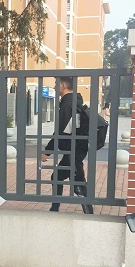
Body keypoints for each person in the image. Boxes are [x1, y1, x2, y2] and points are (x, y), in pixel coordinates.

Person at [41, 76, 93, 214]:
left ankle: (89, 212)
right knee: (59, 177)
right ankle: (55, 208)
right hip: (77, 147)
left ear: (63, 85)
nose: (54, 87)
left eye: (56, 84)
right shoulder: (75, 102)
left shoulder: (67, 105)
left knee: (78, 182)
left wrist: (47, 151)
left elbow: (60, 131)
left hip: (73, 150)